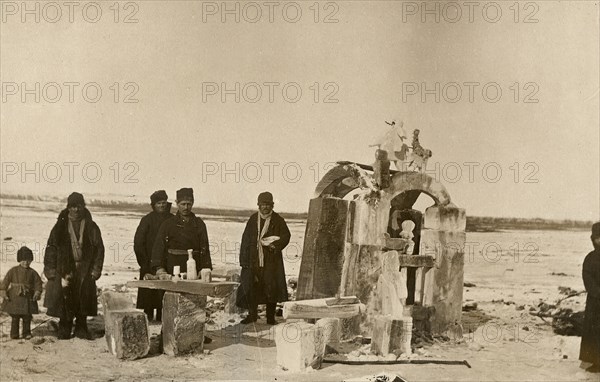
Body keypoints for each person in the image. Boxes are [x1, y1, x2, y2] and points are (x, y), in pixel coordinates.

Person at [43, 192, 105, 340]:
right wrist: (50, 269)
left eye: (79, 206)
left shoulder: (91, 226)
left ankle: (81, 326)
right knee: (65, 298)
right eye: (73, 206)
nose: (76, 210)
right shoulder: (60, 226)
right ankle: (65, 325)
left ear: (83, 206)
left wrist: (96, 270)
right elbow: (51, 248)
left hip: (85, 269)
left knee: (82, 298)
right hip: (64, 268)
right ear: (68, 207)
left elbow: (99, 249)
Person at [236, 192, 291, 325]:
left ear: (272, 205)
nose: (265, 207)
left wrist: (273, 246)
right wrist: (243, 260)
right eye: (263, 204)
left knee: (271, 288)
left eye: (268, 204)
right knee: (251, 287)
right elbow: (245, 240)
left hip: (271, 261)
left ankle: (270, 317)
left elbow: (286, 236)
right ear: (258, 205)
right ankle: (252, 315)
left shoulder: (278, 220)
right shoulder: (253, 219)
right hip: (253, 260)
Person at [151, 187, 212, 277]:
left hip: (194, 270)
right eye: (183, 204)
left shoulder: (199, 224)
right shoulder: (168, 224)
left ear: (193, 203)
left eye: (189, 204)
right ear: (177, 203)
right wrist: (159, 268)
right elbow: (159, 247)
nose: (186, 207)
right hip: (172, 270)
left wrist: (205, 268)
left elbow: (204, 248)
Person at [134, 190, 173, 321]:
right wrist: (144, 263)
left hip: (167, 264)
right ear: (153, 205)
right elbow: (138, 243)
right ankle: (148, 318)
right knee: (149, 295)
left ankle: (163, 319)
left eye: (164, 202)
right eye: (158, 203)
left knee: (165, 295)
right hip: (148, 262)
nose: (162, 205)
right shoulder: (147, 220)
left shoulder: (172, 219)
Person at [0, 246, 43, 340]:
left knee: (27, 317)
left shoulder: (33, 273)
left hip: (28, 298)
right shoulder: (13, 271)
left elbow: (38, 283)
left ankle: (26, 333)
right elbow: (5, 281)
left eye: (28, 260)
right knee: (15, 317)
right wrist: (3, 291)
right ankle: (14, 334)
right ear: (19, 260)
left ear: (31, 261)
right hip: (15, 298)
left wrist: (37, 292)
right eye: (23, 260)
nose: (26, 262)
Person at [580, 221, 600, 373]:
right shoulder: (590, 258)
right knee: (594, 332)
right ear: (593, 239)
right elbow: (587, 278)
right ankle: (596, 361)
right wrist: (597, 293)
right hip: (595, 302)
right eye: (597, 238)